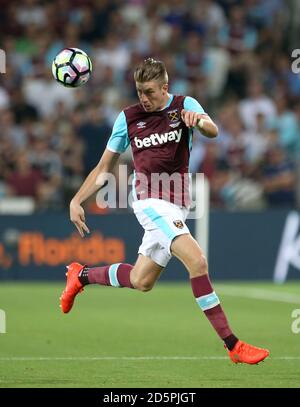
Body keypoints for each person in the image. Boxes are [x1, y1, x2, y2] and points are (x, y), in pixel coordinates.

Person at [60, 58, 269, 365]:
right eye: (138, 91)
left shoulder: (184, 104)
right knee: (197, 261)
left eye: (148, 91)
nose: (143, 98)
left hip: (179, 203)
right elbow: (105, 167)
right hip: (148, 199)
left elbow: (212, 130)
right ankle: (233, 345)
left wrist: (197, 121)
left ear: (164, 88)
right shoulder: (128, 118)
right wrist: (77, 199)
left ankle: (82, 275)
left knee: (142, 280)